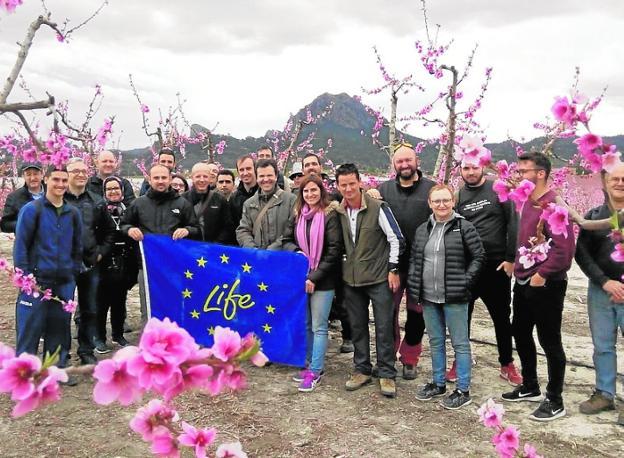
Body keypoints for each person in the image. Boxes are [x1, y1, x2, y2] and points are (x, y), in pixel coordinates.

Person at [501, 152, 575, 422]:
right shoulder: (529, 201)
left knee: (550, 340)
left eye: (524, 171)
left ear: (540, 173)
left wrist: (542, 274)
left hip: (545, 283)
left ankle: (555, 399)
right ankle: (530, 385)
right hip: (524, 279)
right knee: (519, 331)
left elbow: (565, 251)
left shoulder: (554, 204)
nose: (519, 176)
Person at [409, 184, 484, 410]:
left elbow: (479, 256)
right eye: (436, 201)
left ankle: (463, 389)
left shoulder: (464, 227)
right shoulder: (423, 229)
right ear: (430, 204)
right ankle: (438, 382)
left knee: (460, 344)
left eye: (445, 200)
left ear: (453, 202)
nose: (441, 205)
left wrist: (465, 281)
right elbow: (415, 260)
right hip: (429, 297)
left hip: (455, 296)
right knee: (436, 341)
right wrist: (415, 285)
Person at [334, 163, 404, 398]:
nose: (348, 188)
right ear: (338, 186)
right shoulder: (339, 210)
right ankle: (362, 369)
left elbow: (396, 239)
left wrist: (393, 269)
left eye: (352, 183)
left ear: (360, 183)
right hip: (351, 280)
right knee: (357, 326)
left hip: (378, 278)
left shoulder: (378, 207)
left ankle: (386, 373)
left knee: (384, 327)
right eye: (343, 185)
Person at [453, 162, 521, 385]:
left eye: (474, 167)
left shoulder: (498, 189)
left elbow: (513, 223)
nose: (470, 172)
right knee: (462, 317)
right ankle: (461, 361)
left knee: (501, 317)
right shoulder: (458, 196)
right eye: (465, 169)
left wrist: (511, 258)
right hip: (469, 266)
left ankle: (506, 363)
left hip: (496, 265)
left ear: (482, 167)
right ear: (460, 171)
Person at [13, 167, 82, 380]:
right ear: (46, 180)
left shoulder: (73, 213)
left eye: (64, 180)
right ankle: (24, 374)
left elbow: (77, 246)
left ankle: (56, 369)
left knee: (59, 328)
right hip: (36, 282)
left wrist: (73, 271)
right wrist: (26, 276)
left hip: (64, 281)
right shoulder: (32, 210)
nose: (60, 184)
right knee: (30, 328)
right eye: (56, 180)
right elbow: (21, 246)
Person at [375, 143, 435, 380]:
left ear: (416, 161)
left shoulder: (431, 189)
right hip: (393, 265)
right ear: (394, 164)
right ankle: (388, 356)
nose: (404, 165)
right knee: (387, 312)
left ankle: (410, 358)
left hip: (422, 264)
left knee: (416, 314)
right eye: (400, 161)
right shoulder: (384, 190)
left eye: (408, 160)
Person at [283, 175, 343, 392]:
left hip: (323, 280)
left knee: (319, 326)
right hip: (301, 276)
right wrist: (297, 253)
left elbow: (334, 250)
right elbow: (286, 240)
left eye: (314, 190)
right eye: (306, 191)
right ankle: (309, 363)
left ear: (321, 191)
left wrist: (314, 277)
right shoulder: (298, 214)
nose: (310, 194)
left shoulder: (329, 215)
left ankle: (316, 370)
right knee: (306, 324)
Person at [576, 164, 624, 426]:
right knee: (603, 345)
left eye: (623, 179)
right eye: (614, 178)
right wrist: (604, 282)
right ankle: (605, 393)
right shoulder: (594, 216)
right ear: (605, 183)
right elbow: (582, 254)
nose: (619, 183)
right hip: (601, 290)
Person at [121, 164, 201, 322]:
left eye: (164, 177)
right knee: (149, 307)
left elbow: (197, 229)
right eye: (156, 178)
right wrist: (130, 229)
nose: (160, 181)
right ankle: (149, 343)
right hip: (147, 266)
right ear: (149, 180)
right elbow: (124, 224)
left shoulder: (182, 204)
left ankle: (175, 343)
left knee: (175, 307)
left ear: (170, 179)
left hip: (174, 266)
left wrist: (187, 230)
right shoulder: (138, 204)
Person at [65, 157, 115, 365]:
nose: (80, 174)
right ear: (67, 174)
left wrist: (102, 251)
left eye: (83, 171)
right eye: (75, 171)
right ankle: (61, 353)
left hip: (90, 264)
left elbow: (110, 230)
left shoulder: (97, 201)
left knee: (89, 308)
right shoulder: (57, 200)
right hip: (63, 265)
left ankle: (86, 350)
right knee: (61, 310)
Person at [302, 152, 352, 353]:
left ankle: (348, 337)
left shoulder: (334, 196)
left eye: (315, 163)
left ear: (321, 166)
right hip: (310, 266)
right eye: (307, 164)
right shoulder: (301, 207)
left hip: (334, 262)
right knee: (314, 318)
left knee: (343, 301)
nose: (311, 167)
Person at [93, 176, 139, 354]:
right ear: (104, 192)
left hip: (124, 261)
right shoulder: (99, 210)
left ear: (122, 190)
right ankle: (99, 337)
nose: (113, 192)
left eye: (116, 188)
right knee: (101, 302)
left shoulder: (129, 209)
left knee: (120, 301)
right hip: (103, 261)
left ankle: (118, 334)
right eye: (109, 189)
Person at [236, 159, 296, 250]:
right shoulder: (249, 204)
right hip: (258, 259)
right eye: (262, 176)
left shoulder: (291, 200)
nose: (266, 179)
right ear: (256, 178)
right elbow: (243, 230)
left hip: (283, 256)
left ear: (276, 176)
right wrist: (253, 249)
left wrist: (272, 250)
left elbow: (291, 231)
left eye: (269, 175)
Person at [182, 162, 233, 244]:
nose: (202, 180)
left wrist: (215, 245)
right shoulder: (183, 199)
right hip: (189, 250)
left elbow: (227, 227)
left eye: (205, 176)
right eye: (198, 176)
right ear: (192, 178)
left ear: (210, 178)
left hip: (213, 250)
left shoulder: (220, 200)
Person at [1, 162, 45, 233]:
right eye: (28, 174)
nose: (32, 178)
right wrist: (23, 224)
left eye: (35, 174)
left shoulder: (52, 193)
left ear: (42, 174)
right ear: (23, 176)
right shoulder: (14, 197)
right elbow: (4, 225)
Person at [230, 155, 258, 228]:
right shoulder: (234, 198)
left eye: (248, 169)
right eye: (241, 170)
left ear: (255, 169)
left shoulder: (264, 193)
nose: (245, 173)